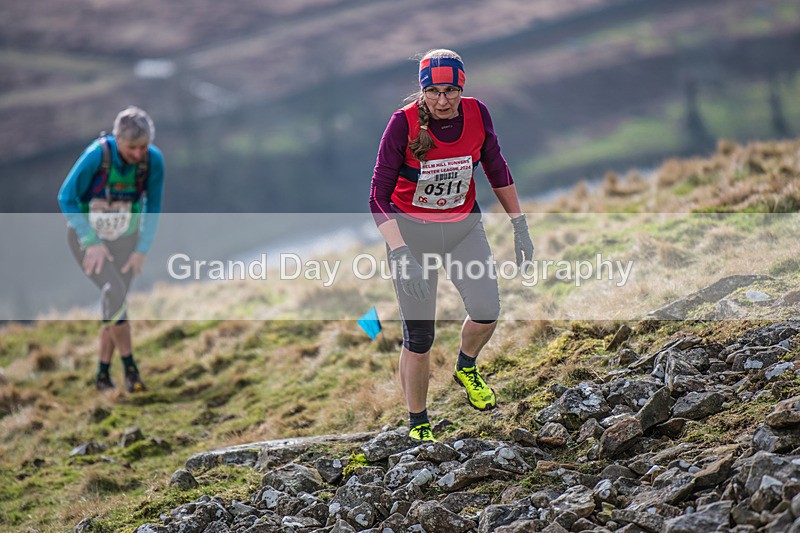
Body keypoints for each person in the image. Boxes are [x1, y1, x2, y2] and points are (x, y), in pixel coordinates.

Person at [368, 49, 534, 442]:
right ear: (422, 90)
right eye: (434, 92)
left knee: (487, 310)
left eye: (451, 91)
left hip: (462, 229)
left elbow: (496, 166)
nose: (442, 101)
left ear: (462, 88)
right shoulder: (402, 124)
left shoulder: (477, 114)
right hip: (413, 238)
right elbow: (377, 195)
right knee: (420, 336)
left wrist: (519, 224)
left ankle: (466, 366)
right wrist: (400, 252)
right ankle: (418, 422)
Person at [58, 106, 164, 393]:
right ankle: (131, 370)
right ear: (117, 138)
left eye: (144, 147)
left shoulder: (153, 162)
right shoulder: (97, 156)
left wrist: (141, 249)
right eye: (132, 148)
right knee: (115, 294)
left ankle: (103, 376)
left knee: (115, 302)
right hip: (87, 242)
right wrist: (91, 241)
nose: (139, 154)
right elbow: (66, 197)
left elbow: (152, 208)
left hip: (126, 243)